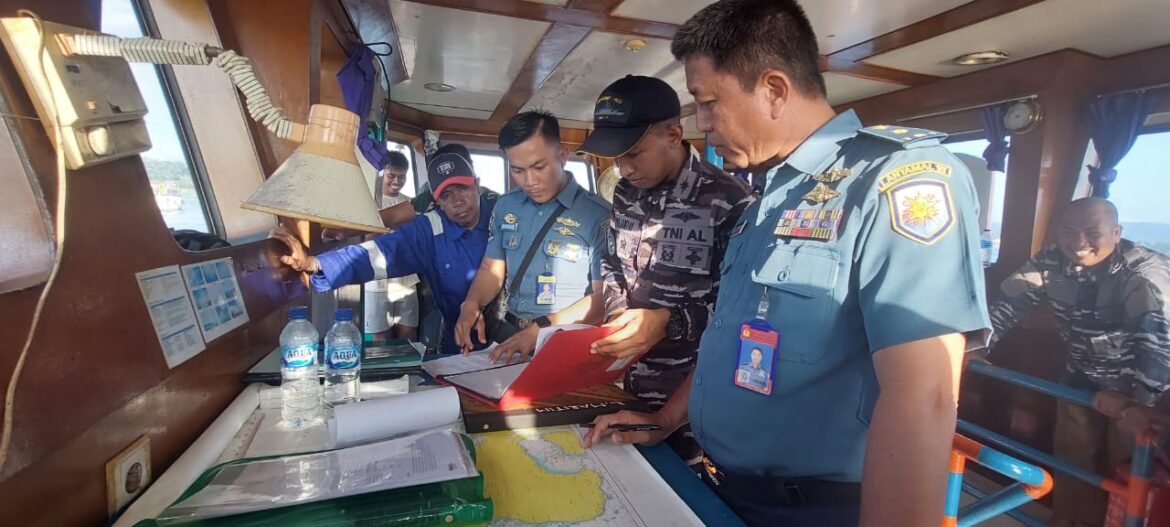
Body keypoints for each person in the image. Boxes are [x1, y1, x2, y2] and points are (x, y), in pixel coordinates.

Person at [583, 2, 990, 526]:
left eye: (708, 103)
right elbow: (731, 339)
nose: (702, 125)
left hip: (816, 508)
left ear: (773, 89)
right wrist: (665, 419)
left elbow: (927, 395)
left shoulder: (896, 182)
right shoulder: (770, 198)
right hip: (731, 491)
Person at [571, 74, 751, 466]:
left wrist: (667, 322)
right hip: (628, 384)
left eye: (633, 152)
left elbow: (741, 312)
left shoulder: (729, 201)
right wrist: (621, 315)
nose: (624, 168)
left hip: (694, 401)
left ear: (674, 133)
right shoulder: (624, 192)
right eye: (616, 156)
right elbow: (612, 262)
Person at [981, 197, 1170, 527]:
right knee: (1073, 460)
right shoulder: (1051, 261)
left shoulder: (1143, 273)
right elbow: (1009, 304)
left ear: (1116, 232)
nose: (1079, 243)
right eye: (1069, 231)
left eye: (1092, 232)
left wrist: (1137, 405)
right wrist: (974, 348)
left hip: (1142, 391)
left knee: (1128, 470)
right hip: (1081, 379)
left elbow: (1159, 344)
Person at [271, 149, 493, 355]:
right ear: (436, 201)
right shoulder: (430, 229)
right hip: (459, 342)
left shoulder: (504, 217)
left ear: (477, 185)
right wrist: (313, 264)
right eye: (446, 195)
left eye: (463, 189)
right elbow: (376, 253)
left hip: (510, 338)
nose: (458, 201)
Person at [454, 111, 611, 359]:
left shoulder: (599, 216)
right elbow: (491, 269)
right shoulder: (506, 206)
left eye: (539, 167)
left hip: (567, 343)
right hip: (510, 337)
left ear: (563, 155)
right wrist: (471, 303)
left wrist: (543, 329)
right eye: (517, 170)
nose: (529, 181)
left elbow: (602, 300)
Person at [363, 151, 420, 341]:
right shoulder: (370, 200)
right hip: (377, 281)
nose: (397, 181)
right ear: (382, 174)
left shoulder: (408, 202)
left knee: (408, 332)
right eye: (391, 176)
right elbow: (367, 239)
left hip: (406, 279)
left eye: (401, 176)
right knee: (380, 336)